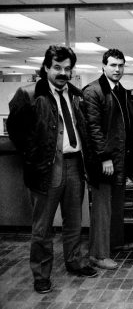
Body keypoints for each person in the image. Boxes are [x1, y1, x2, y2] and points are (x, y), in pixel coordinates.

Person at [7, 45, 97, 294]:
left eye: (67, 68)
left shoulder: (77, 94)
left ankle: (75, 262)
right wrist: (34, 156)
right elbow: (16, 132)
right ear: (46, 67)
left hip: (74, 164)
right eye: (57, 67)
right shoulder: (28, 94)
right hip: (47, 167)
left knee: (74, 222)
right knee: (43, 227)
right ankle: (41, 274)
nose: (62, 73)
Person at [83, 48, 133, 270]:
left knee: (115, 206)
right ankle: (98, 254)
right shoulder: (93, 91)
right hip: (103, 162)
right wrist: (104, 157)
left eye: (121, 65)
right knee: (102, 208)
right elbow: (93, 128)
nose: (117, 69)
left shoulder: (120, 91)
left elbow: (123, 127)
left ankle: (114, 243)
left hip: (119, 160)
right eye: (113, 65)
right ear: (103, 66)